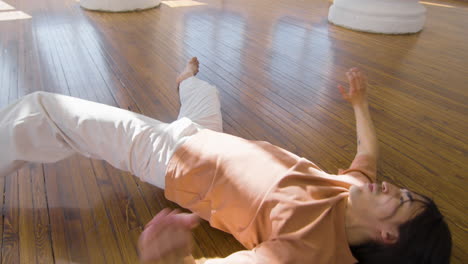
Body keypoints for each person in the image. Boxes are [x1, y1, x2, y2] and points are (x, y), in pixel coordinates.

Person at [0, 58, 451, 264]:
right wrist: (360, 103)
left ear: (387, 236)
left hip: (170, 156)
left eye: (402, 200)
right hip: (206, 136)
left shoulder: (306, 246)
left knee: (43, 110)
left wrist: (171, 260)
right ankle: (186, 82)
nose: (393, 188)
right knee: (205, 94)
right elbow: (368, 153)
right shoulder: (352, 191)